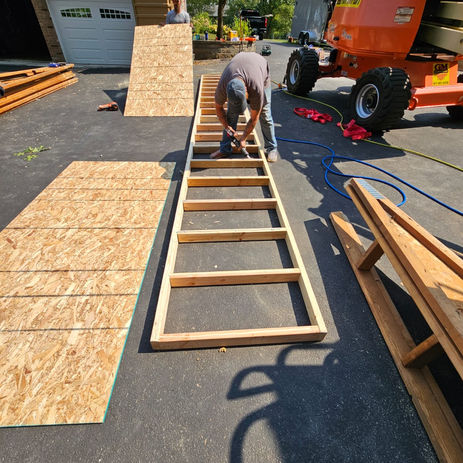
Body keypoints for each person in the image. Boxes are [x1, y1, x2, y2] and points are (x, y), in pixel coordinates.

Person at [211, 52, 278, 162]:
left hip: (260, 69)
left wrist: (243, 138)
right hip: (241, 65)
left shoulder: (256, 88)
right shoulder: (222, 87)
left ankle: (272, 148)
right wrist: (227, 127)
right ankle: (225, 149)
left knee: (265, 114)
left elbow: (254, 118)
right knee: (231, 115)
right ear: (227, 95)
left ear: (246, 90)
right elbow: (218, 109)